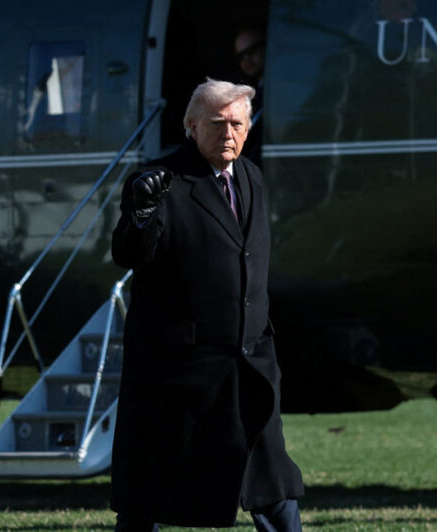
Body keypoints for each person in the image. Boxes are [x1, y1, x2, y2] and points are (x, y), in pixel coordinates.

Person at [110, 79, 304, 531]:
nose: (228, 133)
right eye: (216, 124)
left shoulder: (252, 177)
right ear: (192, 127)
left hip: (249, 363)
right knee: (150, 489)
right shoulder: (160, 181)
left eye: (237, 123)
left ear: (249, 127)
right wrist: (139, 213)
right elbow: (130, 254)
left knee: (271, 480)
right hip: (182, 370)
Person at [233, 27, 265, 166]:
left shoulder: (280, 88)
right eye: (241, 56)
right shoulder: (249, 94)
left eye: (252, 51)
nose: (247, 59)